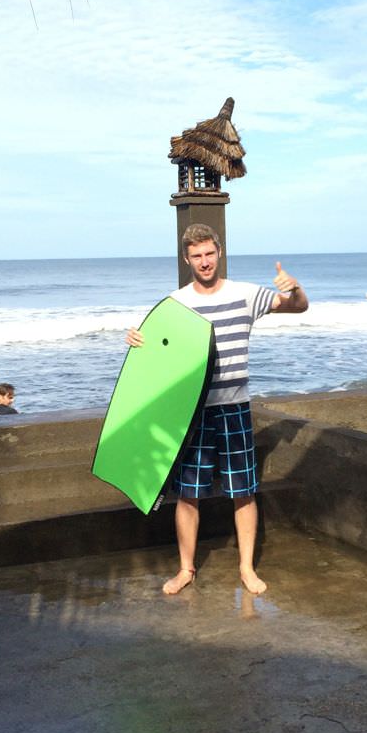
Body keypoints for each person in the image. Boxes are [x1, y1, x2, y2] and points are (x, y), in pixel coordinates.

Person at [127, 223, 308, 596]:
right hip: (191, 413)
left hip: (234, 408)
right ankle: (186, 569)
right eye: (197, 256)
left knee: (243, 490)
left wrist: (296, 289)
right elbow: (160, 355)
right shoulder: (176, 304)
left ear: (219, 253)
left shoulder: (245, 294)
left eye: (209, 253)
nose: (204, 261)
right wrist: (136, 341)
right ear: (186, 258)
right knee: (188, 494)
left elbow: (298, 307)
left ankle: (245, 569)